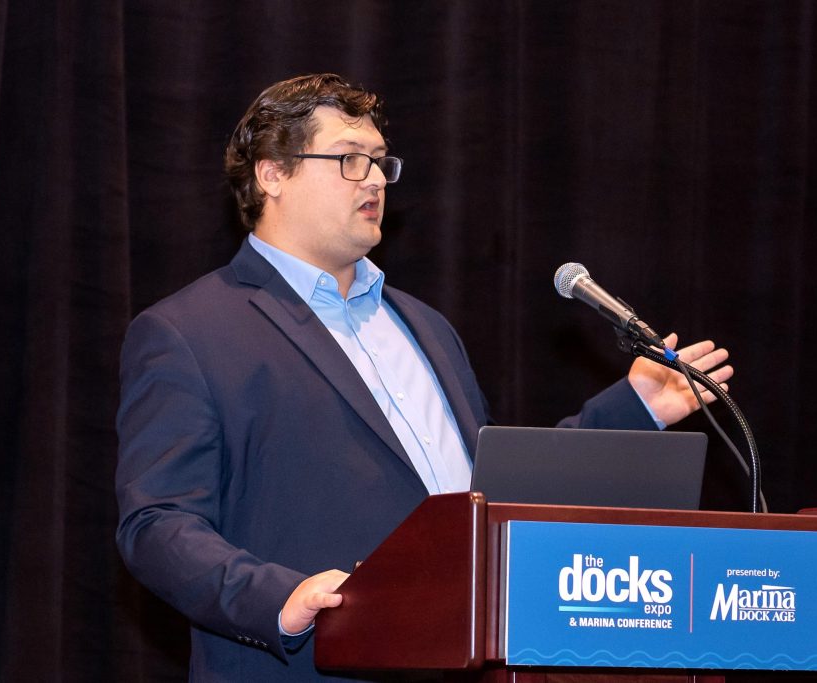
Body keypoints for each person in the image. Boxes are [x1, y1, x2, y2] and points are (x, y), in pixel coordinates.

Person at [115, 73, 733, 682]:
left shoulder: (426, 326)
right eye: (350, 159)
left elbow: (492, 496)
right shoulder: (190, 332)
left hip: (469, 660)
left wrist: (634, 409)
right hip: (313, 666)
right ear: (272, 174)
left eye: (381, 162)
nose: (375, 180)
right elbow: (157, 524)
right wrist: (280, 597)